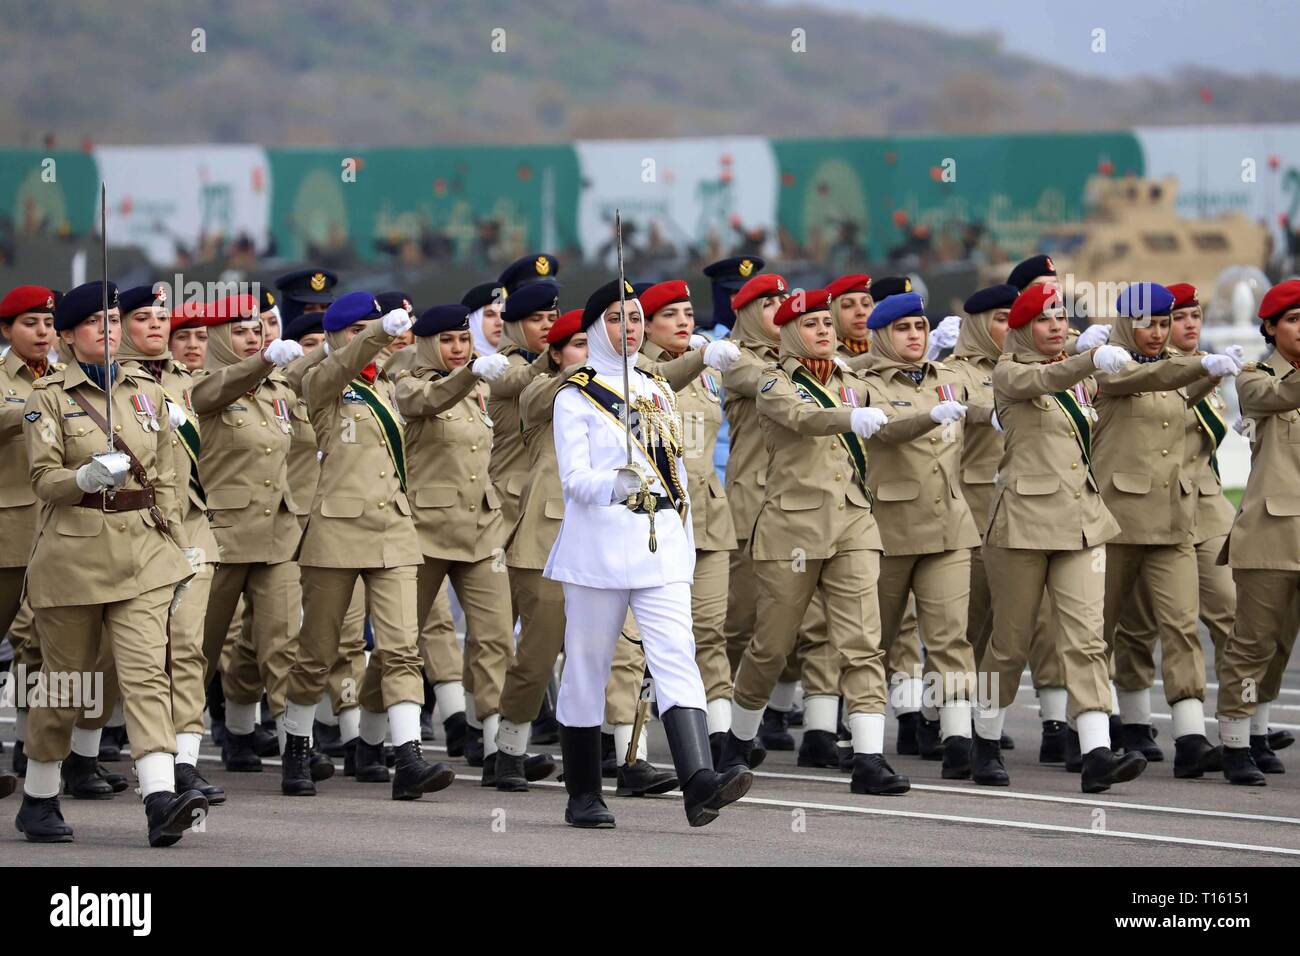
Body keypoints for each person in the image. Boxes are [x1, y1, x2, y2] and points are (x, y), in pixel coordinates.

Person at [546, 279, 753, 828]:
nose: (630, 328)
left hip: (659, 545)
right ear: (594, 328)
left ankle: (698, 782)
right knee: (588, 668)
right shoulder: (575, 394)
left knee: (676, 654)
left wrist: (682, 539)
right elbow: (575, 480)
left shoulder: (656, 386)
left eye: (636, 318)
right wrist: (615, 482)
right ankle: (584, 793)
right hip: (598, 549)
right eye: (617, 318)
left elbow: (678, 475)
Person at [16, 281, 207, 845]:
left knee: (147, 674)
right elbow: (41, 479)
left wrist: (177, 552)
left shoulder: (146, 390)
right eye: (95, 323)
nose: (109, 330)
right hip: (73, 557)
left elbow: (169, 475)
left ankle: (159, 797)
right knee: (67, 685)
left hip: (143, 554)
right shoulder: (46, 397)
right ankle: (40, 792)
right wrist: (81, 478)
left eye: (115, 321)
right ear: (69, 337)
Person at [718, 288, 908, 795]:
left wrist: (936, 416)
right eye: (811, 324)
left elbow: (889, 422)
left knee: (863, 642)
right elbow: (803, 419)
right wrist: (852, 419)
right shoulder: (773, 383)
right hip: (791, 528)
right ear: (787, 333)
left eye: (828, 323)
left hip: (852, 522)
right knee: (771, 646)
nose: (824, 331)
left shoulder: (852, 378)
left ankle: (869, 757)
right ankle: (737, 741)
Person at [972, 283, 1148, 793]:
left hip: (1081, 520)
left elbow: (1145, 373)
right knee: (1010, 642)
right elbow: (1045, 379)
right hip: (1022, 523)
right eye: (1044, 320)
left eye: (1061, 318)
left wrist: (1199, 368)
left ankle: (1095, 751)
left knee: (1087, 638)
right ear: (1023, 329)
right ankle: (985, 739)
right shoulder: (1009, 372)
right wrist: (1092, 356)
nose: (1056, 326)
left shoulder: (1076, 378)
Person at [280, 292, 456, 800]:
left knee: (401, 648)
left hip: (394, 530)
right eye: (355, 330)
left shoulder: (392, 386)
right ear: (336, 336)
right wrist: (376, 332)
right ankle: (296, 744)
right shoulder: (322, 384)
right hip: (335, 532)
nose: (369, 339)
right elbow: (339, 367)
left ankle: (408, 759)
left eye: (372, 329)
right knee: (318, 651)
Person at [1091, 282, 1239, 778]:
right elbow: (1149, 380)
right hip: (1116, 523)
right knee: (1099, 632)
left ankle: (1191, 737)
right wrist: (1202, 366)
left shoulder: (1170, 368)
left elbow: (1174, 391)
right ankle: (1091, 729)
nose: (1156, 333)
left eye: (1162, 323)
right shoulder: (1107, 364)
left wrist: (1209, 376)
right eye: (1147, 323)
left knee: (1181, 627)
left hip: (1172, 520)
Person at [395, 303, 545, 786]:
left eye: (463, 341)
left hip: (481, 528)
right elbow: (429, 402)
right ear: (426, 343)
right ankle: (373, 735)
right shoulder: (409, 382)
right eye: (447, 341)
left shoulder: (479, 385)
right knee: (401, 640)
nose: (458, 349)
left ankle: (500, 749)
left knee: (496, 636)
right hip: (424, 530)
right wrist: (469, 373)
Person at [858, 291, 981, 779]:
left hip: (948, 525)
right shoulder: (863, 383)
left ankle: (957, 742)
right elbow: (883, 432)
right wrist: (927, 417)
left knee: (951, 637)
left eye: (921, 327)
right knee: (874, 640)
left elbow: (997, 399)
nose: (915, 336)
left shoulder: (950, 379)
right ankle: (857, 734)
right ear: (883, 335)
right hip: (887, 530)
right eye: (904, 329)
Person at [190, 295, 310, 774]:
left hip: (276, 533)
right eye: (240, 331)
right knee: (197, 648)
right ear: (220, 337)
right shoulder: (201, 385)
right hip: (219, 537)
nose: (253, 338)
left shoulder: (277, 388)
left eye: (257, 330)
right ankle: (178, 755)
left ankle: (296, 751)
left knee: (283, 642)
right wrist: (261, 361)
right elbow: (213, 393)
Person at [116, 283, 226, 802]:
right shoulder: (108, 382)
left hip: (190, 526)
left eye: (161, 316)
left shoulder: (188, 379)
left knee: (185, 645)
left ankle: (182, 764)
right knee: (98, 655)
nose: (157, 325)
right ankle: (77, 752)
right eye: (143, 317)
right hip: (127, 529)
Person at [1216, 279, 1300, 784]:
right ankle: (1234, 741)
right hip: (1271, 531)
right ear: (1269, 327)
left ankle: (1260, 731)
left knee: (1283, 645)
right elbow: (1275, 398)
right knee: (1253, 642)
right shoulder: (1255, 376)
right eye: (1292, 319)